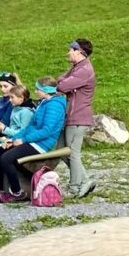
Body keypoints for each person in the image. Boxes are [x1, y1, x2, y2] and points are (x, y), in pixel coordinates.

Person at [0, 78, 67, 201]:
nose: (35, 91)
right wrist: (14, 139)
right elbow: (31, 126)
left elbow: (47, 130)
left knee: (6, 158)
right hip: (31, 140)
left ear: (46, 91)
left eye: (37, 89)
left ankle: (17, 193)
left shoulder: (55, 105)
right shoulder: (44, 102)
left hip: (41, 144)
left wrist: (23, 140)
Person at [57, 38, 97, 199]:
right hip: (71, 116)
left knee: (72, 153)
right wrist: (63, 81)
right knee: (61, 150)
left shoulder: (84, 70)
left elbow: (61, 85)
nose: (68, 52)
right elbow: (60, 79)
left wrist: (63, 83)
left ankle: (74, 187)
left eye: (71, 50)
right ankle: (85, 180)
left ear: (79, 51)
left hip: (79, 116)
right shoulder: (77, 68)